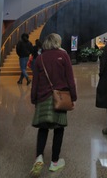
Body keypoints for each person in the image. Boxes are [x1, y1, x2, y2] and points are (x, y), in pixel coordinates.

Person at [30, 33, 77, 177]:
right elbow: (70, 79)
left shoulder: (40, 58)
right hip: (60, 98)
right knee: (58, 129)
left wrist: (34, 99)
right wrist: (73, 97)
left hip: (43, 98)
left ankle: (39, 157)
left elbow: (35, 82)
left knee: (43, 129)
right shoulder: (63, 56)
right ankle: (54, 163)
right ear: (57, 42)